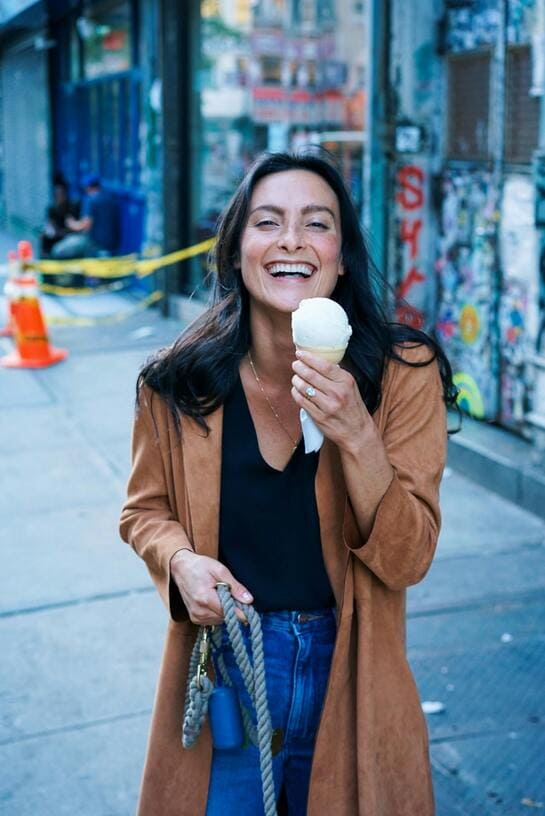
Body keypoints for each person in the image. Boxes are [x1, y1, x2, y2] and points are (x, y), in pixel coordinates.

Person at [119, 150, 458, 816]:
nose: (292, 242)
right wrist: (180, 562)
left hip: (350, 666)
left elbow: (407, 556)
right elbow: (143, 512)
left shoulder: (400, 376)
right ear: (236, 250)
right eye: (267, 222)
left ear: (341, 255)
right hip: (229, 671)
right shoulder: (178, 382)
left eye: (316, 224)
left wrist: (356, 434)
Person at [51, 174, 119, 259]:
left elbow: (86, 225)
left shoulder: (90, 200)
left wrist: (72, 224)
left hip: (94, 243)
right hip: (112, 244)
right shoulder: (110, 199)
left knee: (58, 250)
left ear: (88, 187)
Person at [39, 173, 80, 258]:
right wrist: (53, 232)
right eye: (57, 195)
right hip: (58, 233)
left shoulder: (72, 206)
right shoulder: (52, 209)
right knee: (44, 237)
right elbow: (51, 224)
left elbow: (74, 224)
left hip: (70, 233)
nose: (59, 197)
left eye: (61, 195)